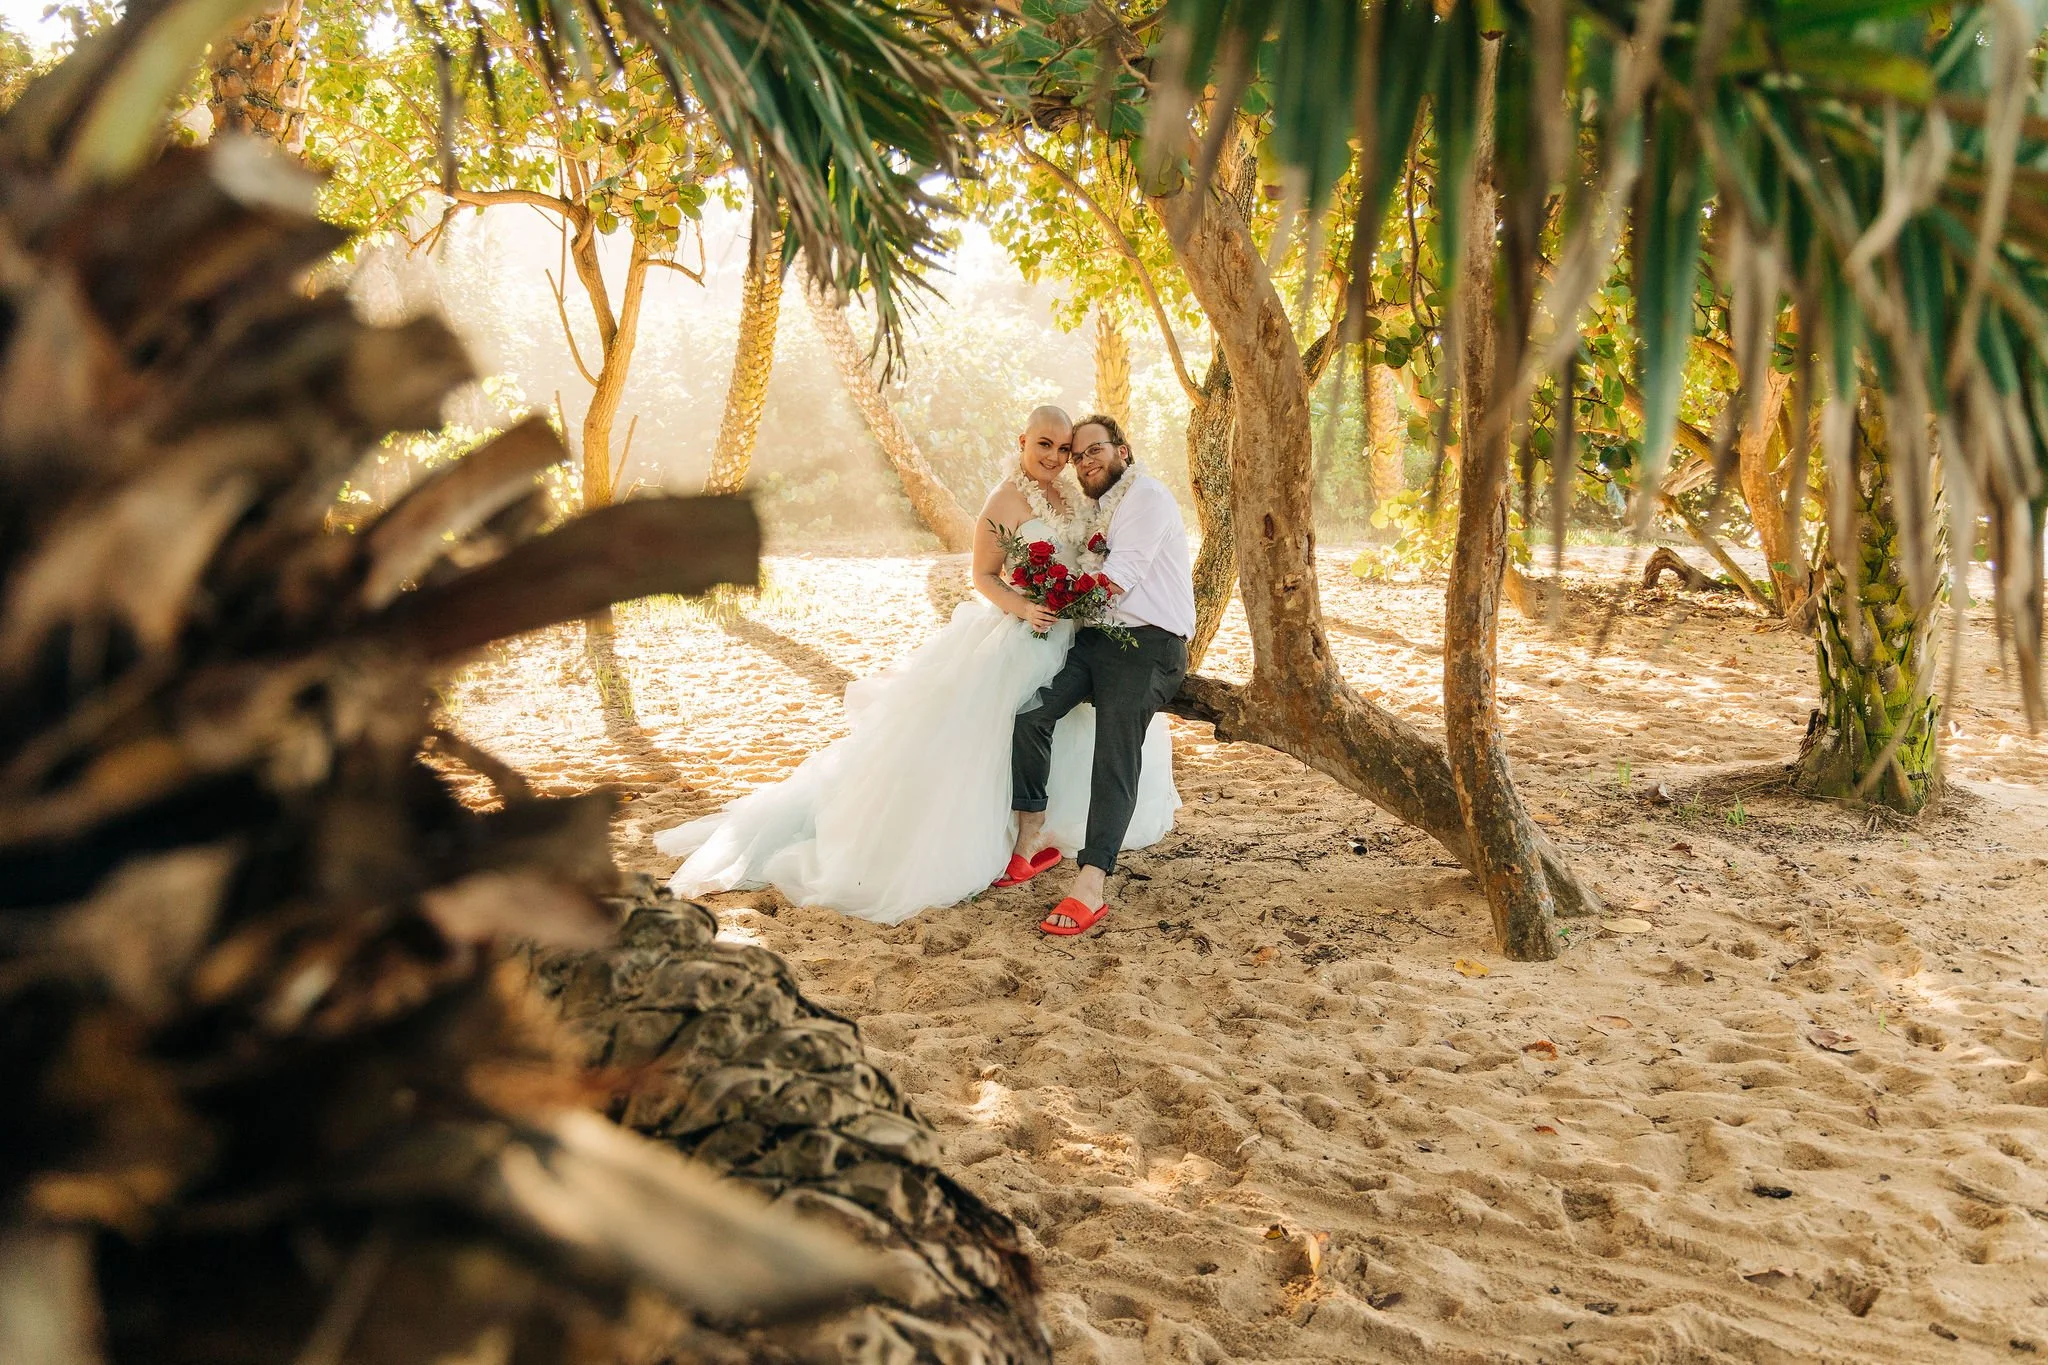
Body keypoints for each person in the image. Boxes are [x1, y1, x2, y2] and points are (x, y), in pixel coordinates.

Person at [653, 405, 1179, 925]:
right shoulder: (1004, 499)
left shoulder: (1075, 497)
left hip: (1075, 632)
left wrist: (1069, 605)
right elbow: (983, 575)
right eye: (1047, 444)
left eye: (1067, 449)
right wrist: (1023, 605)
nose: (1058, 456)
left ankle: (1054, 843)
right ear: (1022, 442)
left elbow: (1105, 565)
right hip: (1026, 627)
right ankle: (1021, 833)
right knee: (1010, 720)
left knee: (1072, 730)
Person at [1004, 414, 1194, 936]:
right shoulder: (1095, 509)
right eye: (1078, 453)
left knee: (1114, 751)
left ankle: (1090, 882)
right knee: (1030, 716)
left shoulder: (1147, 498)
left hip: (1149, 646)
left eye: (1095, 450)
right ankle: (1031, 837)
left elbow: (1119, 578)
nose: (1085, 461)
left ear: (1123, 452)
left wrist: (1053, 599)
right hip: (1095, 641)